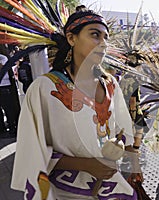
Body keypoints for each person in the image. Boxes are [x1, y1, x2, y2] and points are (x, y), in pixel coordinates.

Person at [11, 8, 142, 200]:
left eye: (106, 37)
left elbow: (124, 132)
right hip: (66, 191)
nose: (104, 44)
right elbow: (32, 150)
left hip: (113, 186)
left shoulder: (111, 84)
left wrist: (133, 166)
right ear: (71, 38)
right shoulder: (45, 88)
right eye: (95, 35)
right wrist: (86, 164)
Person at [0, 45, 20, 134]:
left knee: (9, 109)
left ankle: (12, 127)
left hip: (5, 86)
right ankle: (2, 129)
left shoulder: (2, 58)